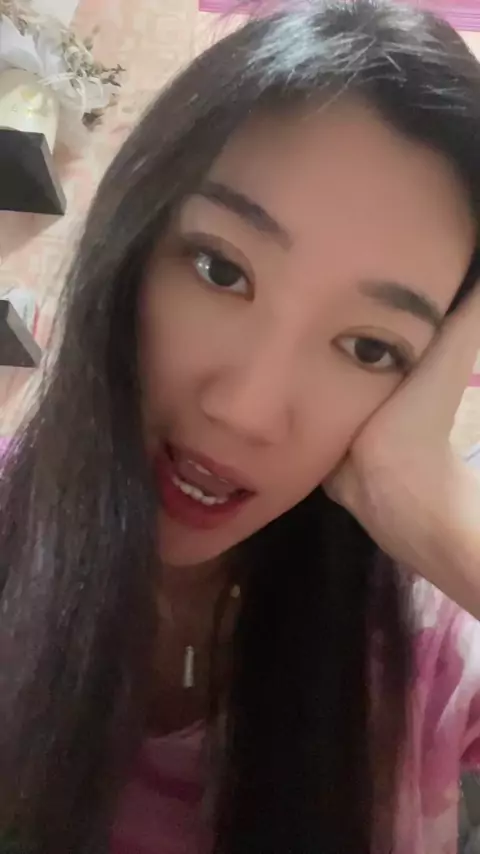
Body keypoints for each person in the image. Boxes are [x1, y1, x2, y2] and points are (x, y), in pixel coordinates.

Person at [1, 0, 480, 851]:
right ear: (135, 240)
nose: (245, 410)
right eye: (220, 269)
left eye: (370, 348)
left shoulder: (428, 651)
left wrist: (456, 542)